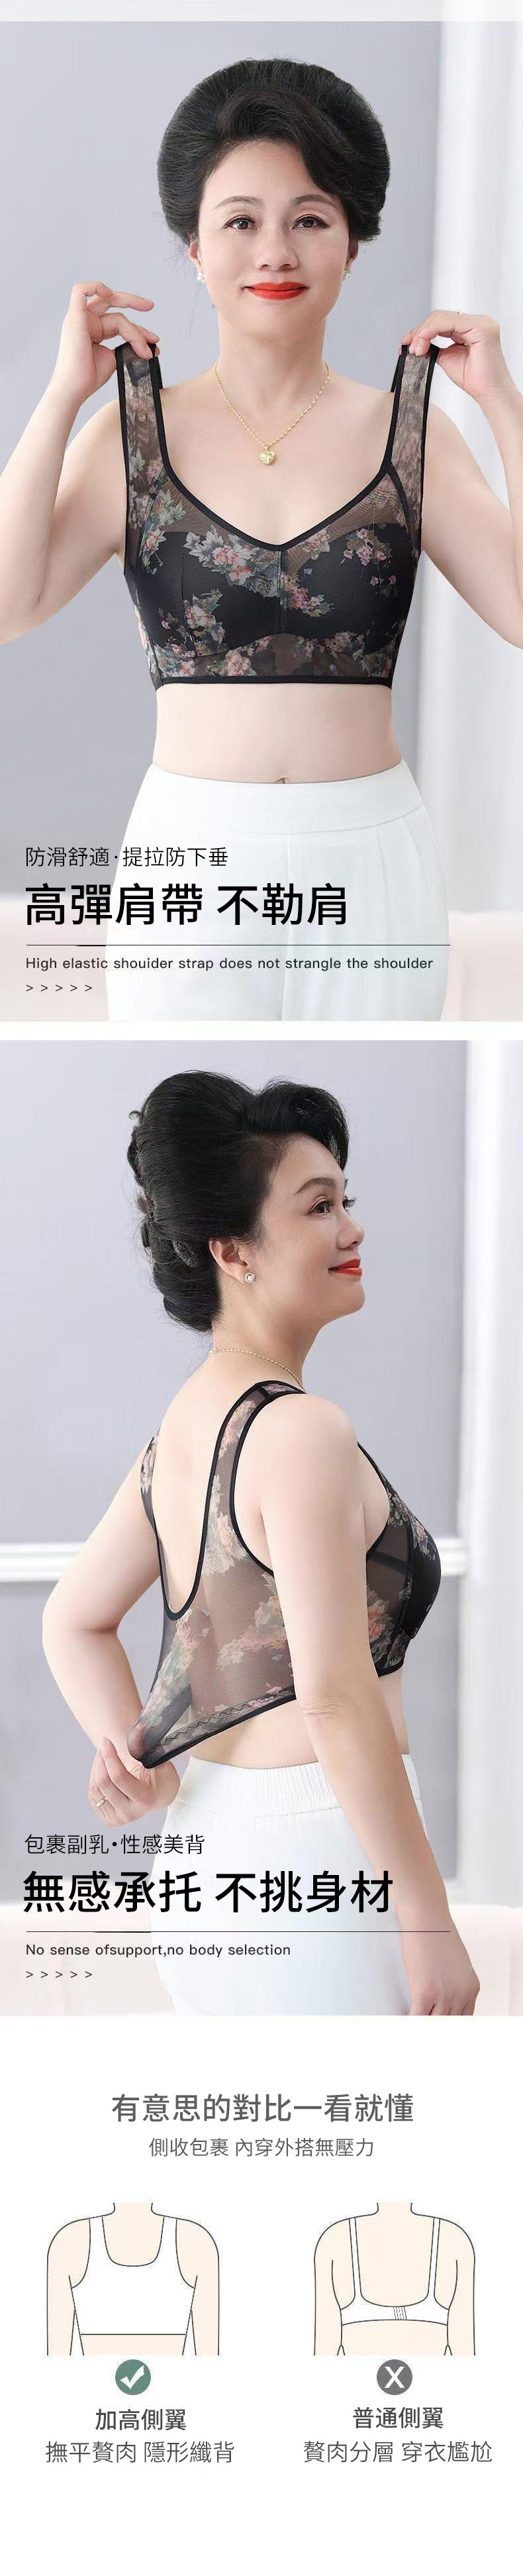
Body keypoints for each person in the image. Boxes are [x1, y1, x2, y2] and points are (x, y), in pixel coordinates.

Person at [1, 61, 522, 1022]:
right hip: (188, 863)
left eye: (310, 219)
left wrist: (502, 404)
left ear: (352, 245)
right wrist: (61, 395)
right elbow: (7, 607)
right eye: (240, 221)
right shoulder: (130, 435)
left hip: (373, 864)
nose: (274, 251)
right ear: (194, 247)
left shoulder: (413, 434)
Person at [42, 1069, 480, 2017]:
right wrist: (426, 1915)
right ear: (232, 1249)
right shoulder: (300, 1430)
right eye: (319, 1207)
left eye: (346, 1201)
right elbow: (333, 1697)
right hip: (317, 1851)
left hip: (204, 1854)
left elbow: (71, 1619)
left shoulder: (183, 1430)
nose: (352, 1230)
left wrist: (141, 1763)